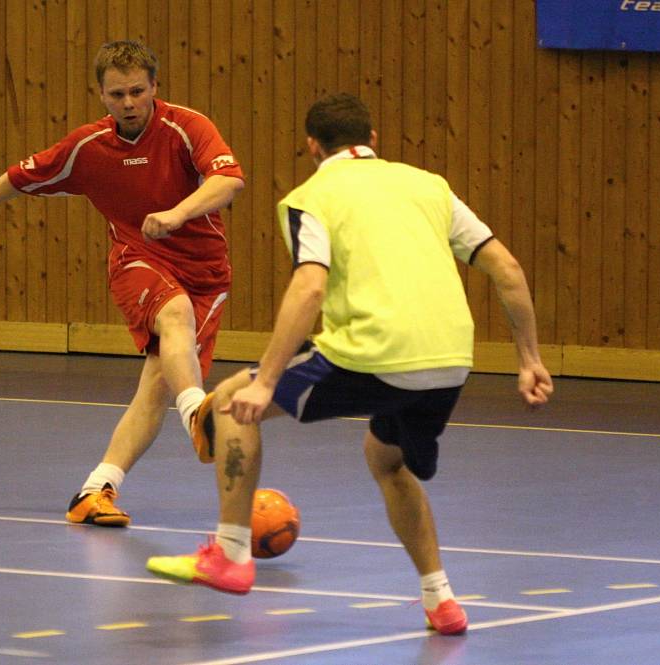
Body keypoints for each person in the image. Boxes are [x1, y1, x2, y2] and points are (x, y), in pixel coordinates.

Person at [145, 93, 553, 635]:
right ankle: (441, 601)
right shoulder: (429, 185)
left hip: (372, 352)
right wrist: (530, 358)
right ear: (374, 140)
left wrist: (265, 381)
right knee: (388, 459)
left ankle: (231, 553)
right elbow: (505, 266)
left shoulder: (310, 196)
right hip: (450, 360)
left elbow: (310, 284)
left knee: (227, 404)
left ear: (312, 146)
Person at [0, 40, 244, 527]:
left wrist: (177, 213)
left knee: (157, 384)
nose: (128, 104)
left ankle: (95, 490)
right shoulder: (88, 147)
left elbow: (229, 182)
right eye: (117, 94)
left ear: (154, 88)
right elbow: (23, 175)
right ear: (101, 95)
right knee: (174, 313)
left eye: (137, 92)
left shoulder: (186, 127)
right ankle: (197, 416)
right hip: (137, 259)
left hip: (206, 274)